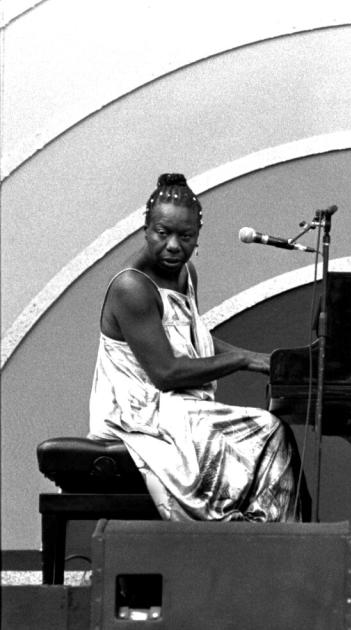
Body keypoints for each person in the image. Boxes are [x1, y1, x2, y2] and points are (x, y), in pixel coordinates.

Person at [88, 173, 304, 522]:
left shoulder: (186, 274)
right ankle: (251, 532)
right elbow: (166, 373)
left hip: (175, 407)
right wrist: (240, 359)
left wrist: (258, 361)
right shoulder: (132, 287)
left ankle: (269, 538)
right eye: (163, 233)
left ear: (197, 238)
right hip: (138, 415)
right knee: (266, 429)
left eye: (185, 236)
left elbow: (191, 338)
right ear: (145, 229)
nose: (173, 245)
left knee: (269, 431)